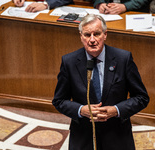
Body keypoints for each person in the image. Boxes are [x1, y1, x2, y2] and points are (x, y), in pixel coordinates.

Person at [52, 14, 149, 150]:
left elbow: (142, 98)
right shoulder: (69, 62)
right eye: (87, 35)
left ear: (105, 34)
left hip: (117, 136)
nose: (92, 40)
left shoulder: (123, 59)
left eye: (96, 34)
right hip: (83, 137)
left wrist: (116, 110)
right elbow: (59, 100)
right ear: (81, 36)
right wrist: (81, 110)